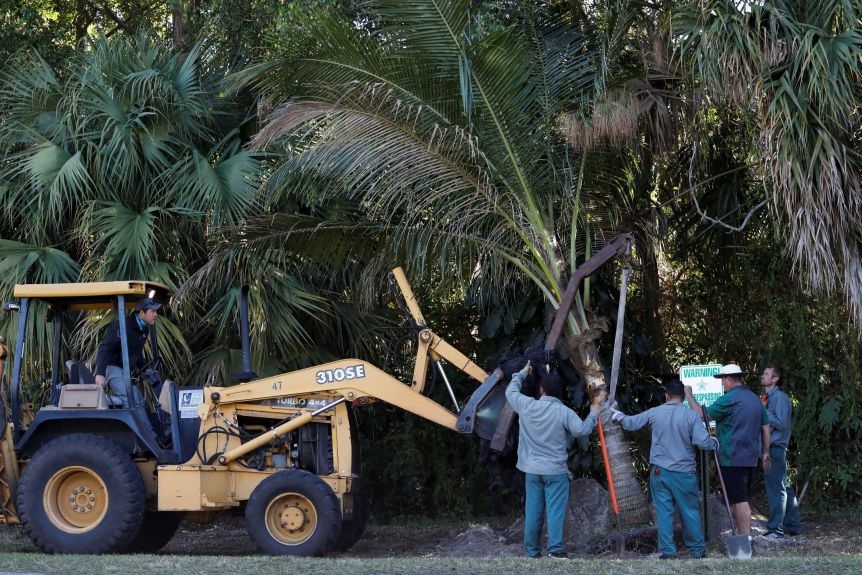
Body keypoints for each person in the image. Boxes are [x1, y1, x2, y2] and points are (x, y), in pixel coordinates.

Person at [610, 379, 718, 559]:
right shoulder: (690, 416)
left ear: (666, 395)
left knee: (664, 512)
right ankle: (697, 551)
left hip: (660, 473)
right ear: (683, 397)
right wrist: (714, 442)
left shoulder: (655, 412)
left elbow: (631, 423)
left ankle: (668, 552)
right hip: (684, 473)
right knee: (689, 511)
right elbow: (703, 442)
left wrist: (618, 416)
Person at [505, 360, 601, 559]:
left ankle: (532, 552)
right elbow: (581, 430)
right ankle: (555, 551)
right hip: (555, 471)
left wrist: (522, 373)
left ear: (541, 390)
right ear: (560, 393)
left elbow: (510, 392)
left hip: (532, 470)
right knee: (555, 512)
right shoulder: (563, 412)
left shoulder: (527, 405)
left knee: (532, 511)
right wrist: (593, 413)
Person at [684, 363, 770, 539]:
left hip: (731, 457)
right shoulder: (754, 398)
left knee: (740, 500)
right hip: (750, 457)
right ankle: (740, 535)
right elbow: (766, 427)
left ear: (729, 379)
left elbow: (701, 415)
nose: (722, 384)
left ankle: (745, 539)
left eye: (723, 380)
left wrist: (689, 395)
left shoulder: (729, 398)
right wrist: (765, 452)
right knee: (736, 498)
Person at [760, 365, 803, 538]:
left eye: (766, 374)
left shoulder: (780, 398)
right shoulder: (768, 398)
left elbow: (783, 424)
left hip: (775, 449)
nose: (762, 376)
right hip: (771, 449)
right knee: (785, 487)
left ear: (775, 379)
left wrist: (763, 410)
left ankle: (775, 530)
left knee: (776, 489)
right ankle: (794, 527)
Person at [95, 297, 161, 409]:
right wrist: (100, 374)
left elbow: (136, 353)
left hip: (124, 370)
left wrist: (146, 369)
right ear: (142, 312)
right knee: (130, 399)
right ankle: (129, 426)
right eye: (152, 311)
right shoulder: (123, 326)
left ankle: (145, 427)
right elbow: (105, 348)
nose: (156, 315)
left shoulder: (143, 329)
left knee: (139, 399)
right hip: (111, 367)